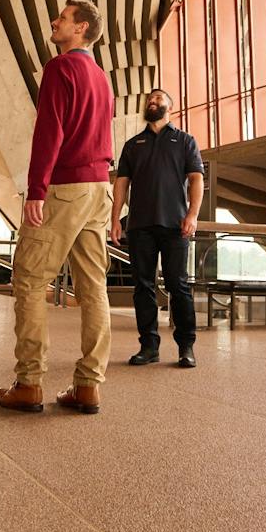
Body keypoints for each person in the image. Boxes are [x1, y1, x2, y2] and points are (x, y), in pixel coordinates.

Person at [0, 0, 116, 415]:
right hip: (99, 189)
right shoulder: (102, 78)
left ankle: (29, 383)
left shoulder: (60, 67)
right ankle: (89, 386)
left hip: (65, 187)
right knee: (93, 287)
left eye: (63, 18)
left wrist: (37, 190)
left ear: (80, 28)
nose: (55, 21)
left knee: (29, 279)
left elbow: (50, 131)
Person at [112, 87, 204, 368]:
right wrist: (115, 219)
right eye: (150, 99)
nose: (153, 101)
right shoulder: (133, 144)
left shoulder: (185, 141)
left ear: (170, 108)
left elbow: (196, 179)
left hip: (176, 225)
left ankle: (186, 347)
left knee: (178, 285)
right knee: (143, 286)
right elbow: (121, 183)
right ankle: (149, 346)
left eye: (159, 98)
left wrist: (192, 215)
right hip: (140, 226)